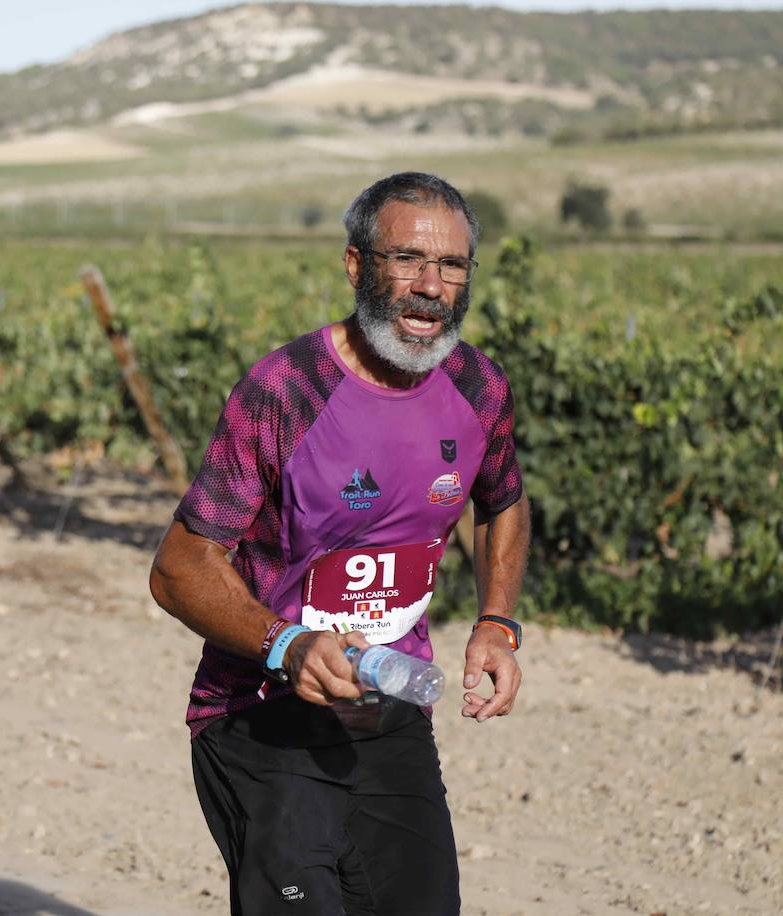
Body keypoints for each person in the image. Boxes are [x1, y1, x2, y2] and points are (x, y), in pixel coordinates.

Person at [149, 172, 530, 914]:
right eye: (407, 260)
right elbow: (177, 569)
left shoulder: (480, 387)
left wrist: (496, 622)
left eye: (452, 266)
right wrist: (289, 645)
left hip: (390, 709)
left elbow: (503, 501)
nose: (431, 286)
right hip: (261, 715)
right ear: (357, 265)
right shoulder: (285, 390)